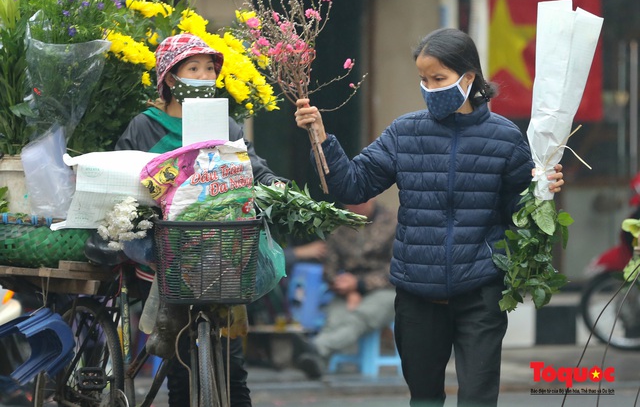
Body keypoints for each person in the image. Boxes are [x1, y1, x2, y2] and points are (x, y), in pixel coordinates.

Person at [294, 27, 565, 406]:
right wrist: (322, 139)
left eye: (439, 78)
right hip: (416, 292)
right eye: (424, 79)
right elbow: (352, 186)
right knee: (423, 398)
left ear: (468, 77)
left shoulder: (505, 138)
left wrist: (542, 191)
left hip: (481, 290)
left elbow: (518, 214)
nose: (429, 87)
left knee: (478, 398)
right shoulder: (405, 132)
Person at [116, 32, 287, 407]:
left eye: (210, 69)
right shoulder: (144, 126)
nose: (204, 76)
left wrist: (275, 186)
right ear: (171, 78)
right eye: (193, 68)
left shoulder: (224, 125)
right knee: (179, 366)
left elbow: (250, 166)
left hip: (221, 252)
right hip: (166, 254)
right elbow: (123, 180)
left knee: (232, 366)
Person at [296, 198, 396, 379]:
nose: (356, 205)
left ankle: (317, 348)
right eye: (350, 202)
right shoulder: (338, 225)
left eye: (361, 200)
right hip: (346, 290)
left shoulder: (393, 222)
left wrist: (360, 285)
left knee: (360, 316)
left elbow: (397, 268)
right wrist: (349, 289)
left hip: (386, 291)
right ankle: (317, 364)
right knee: (335, 319)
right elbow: (329, 268)